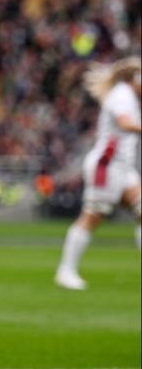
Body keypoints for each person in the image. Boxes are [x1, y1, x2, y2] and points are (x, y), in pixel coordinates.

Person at [55, 57, 141, 290]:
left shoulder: (128, 96)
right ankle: (66, 270)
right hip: (107, 165)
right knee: (92, 216)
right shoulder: (122, 94)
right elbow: (125, 124)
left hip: (123, 167)